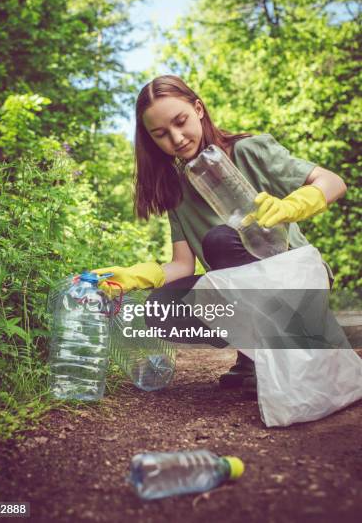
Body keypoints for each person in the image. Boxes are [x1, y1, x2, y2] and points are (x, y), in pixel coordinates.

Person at [93, 75, 347, 390]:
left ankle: (271, 355)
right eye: (161, 134)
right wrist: (137, 276)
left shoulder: (248, 151)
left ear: (198, 109)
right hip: (243, 290)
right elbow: (182, 265)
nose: (176, 138)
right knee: (160, 308)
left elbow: (333, 182)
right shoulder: (176, 191)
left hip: (297, 278)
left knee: (222, 240)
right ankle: (254, 353)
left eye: (181, 121)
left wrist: (292, 206)